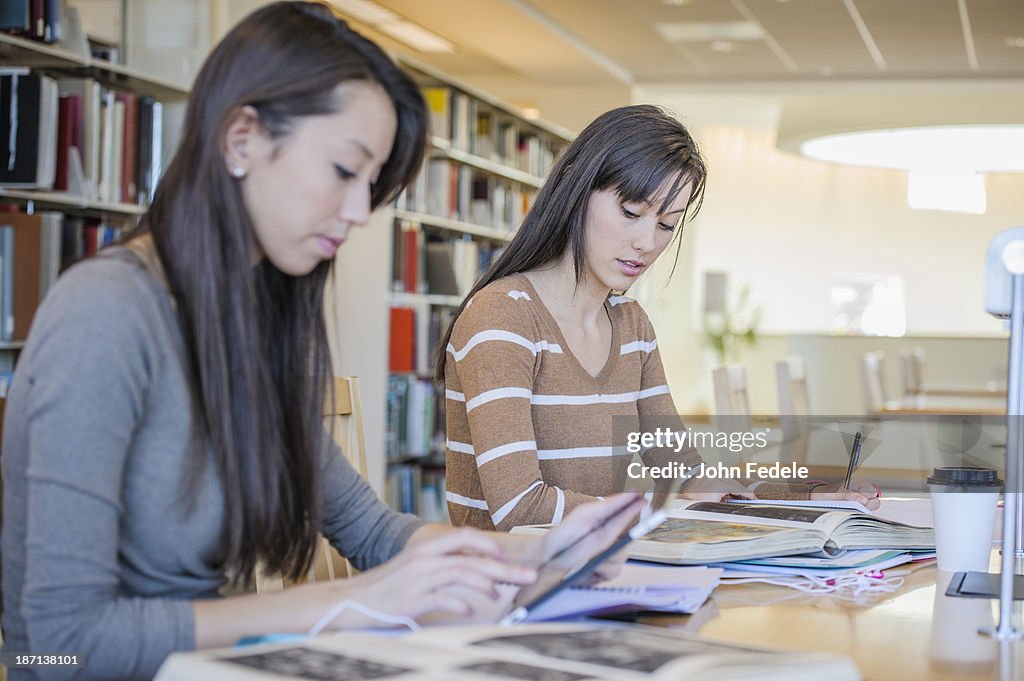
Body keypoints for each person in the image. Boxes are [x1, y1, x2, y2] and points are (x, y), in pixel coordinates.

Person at [0, 4, 643, 679]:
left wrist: (536, 555)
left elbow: (369, 531)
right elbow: (59, 642)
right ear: (241, 138)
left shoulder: (257, 322)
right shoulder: (106, 313)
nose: (362, 212)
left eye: (372, 184)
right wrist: (354, 599)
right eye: (345, 170)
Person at [438, 105, 880, 531]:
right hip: (505, 588)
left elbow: (683, 474)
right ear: (577, 189)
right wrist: (661, 513)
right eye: (631, 212)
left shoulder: (631, 326)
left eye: (667, 225)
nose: (647, 242)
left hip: (596, 571)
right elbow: (519, 509)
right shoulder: (503, 316)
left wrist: (799, 500)